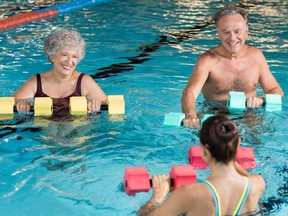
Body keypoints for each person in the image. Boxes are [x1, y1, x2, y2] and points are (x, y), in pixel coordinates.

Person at [138, 115, 265, 216]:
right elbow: (244, 177)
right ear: (238, 145)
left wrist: (158, 196)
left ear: (203, 151)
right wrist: (230, 153)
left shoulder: (191, 193)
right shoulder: (257, 184)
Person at [181, 5, 284, 128]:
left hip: (250, 115)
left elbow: (277, 91)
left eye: (237, 31)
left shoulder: (256, 56)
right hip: (216, 115)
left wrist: (259, 98)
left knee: (256, 144)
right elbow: (190, 92)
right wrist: (190, 114)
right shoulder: (207, 60)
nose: (232, 38)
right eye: (226, 32)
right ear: (218, 34)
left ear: (246, 32)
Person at [12, 28, 107, 119]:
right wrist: (21, 104)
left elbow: (107, 104)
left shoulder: (84, 82)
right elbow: (9, 103)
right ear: (52, 56)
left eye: (74, 56)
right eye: (64, 55)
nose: (69, 61)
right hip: (44, 127)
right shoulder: (36, 82)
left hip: (78, 126)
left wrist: (95, 105)